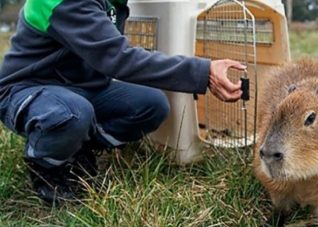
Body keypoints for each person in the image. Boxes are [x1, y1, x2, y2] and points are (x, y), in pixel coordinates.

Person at [0, 0, 245, 204]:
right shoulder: (61, 2)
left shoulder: (113, 2)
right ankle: (47, 166)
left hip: (84, 88)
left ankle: (80, 147)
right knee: (71, 113)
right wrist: (203, 72)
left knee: (152, 105)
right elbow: (118, 58)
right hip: (30, 89)